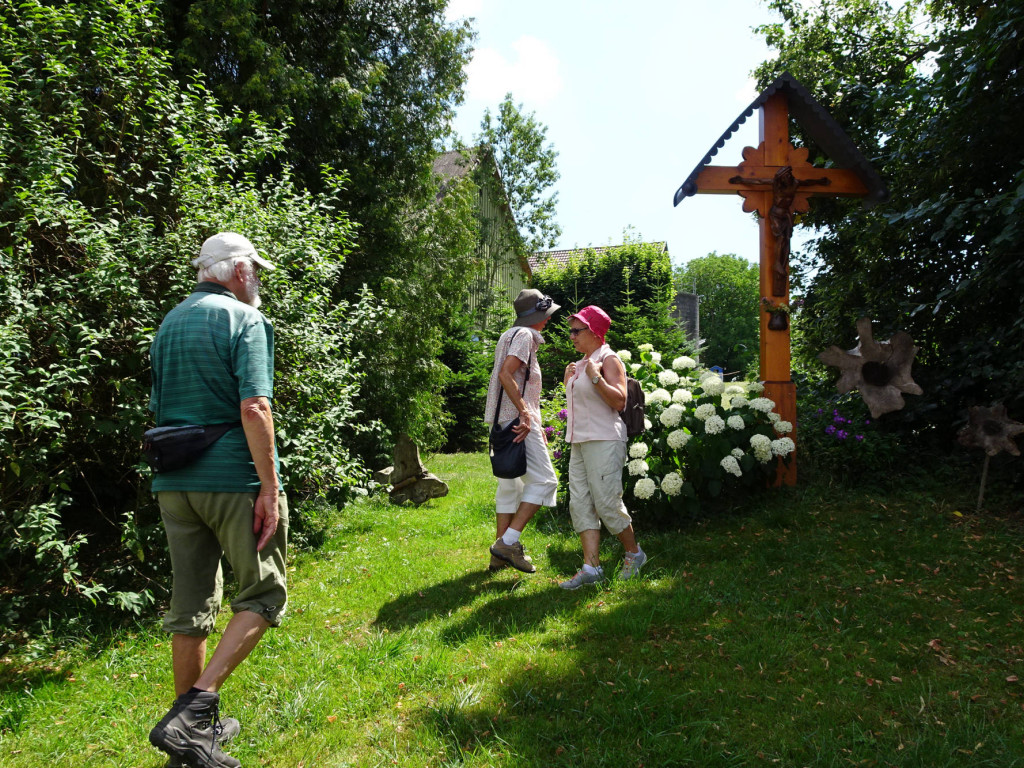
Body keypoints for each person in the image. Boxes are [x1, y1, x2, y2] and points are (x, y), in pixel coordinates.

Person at [147, 232, 288, 768]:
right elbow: (254, 406)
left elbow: (163, 403)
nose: (258, 278)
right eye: (255, 268)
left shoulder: (169, 322)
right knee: (263, 593)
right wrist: (268, 487)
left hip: (173, 482)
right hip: (232, 478)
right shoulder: (245, 320)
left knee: (191, 609)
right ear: (236, 271)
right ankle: (193, 714)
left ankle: (188, 741)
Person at [559, 305, 646, 589]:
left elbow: (619, 400)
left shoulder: (608, 359)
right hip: (580, 442)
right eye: (570, 330)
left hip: (605, 440)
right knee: (581, 504)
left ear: (595, 331)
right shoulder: (581, 363)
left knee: (607, 503)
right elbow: (582, 404)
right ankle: (591, 568)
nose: (571, 336)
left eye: (576, 330)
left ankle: (634, 554)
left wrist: (596, 377)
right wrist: (568, 382)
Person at [484, 288, 560, 573]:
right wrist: (527, 414)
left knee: (509, 488)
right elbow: (507, 373)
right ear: (537, 316)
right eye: (546, 314)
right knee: (545, 482)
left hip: (502, 422)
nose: (549, 319)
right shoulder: (526, 336)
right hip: (517, 422)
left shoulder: (508, 334)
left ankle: (497, 557)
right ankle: (508, 543)